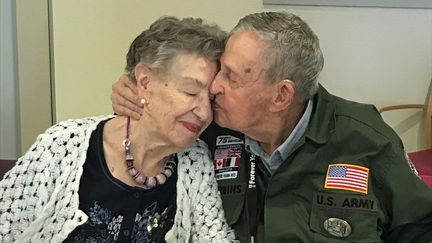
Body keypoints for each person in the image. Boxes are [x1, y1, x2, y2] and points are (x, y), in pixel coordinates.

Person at [112, 11, 432, 243]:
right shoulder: (209, 125)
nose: (214, 86)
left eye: (233, 77)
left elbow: (421, 228)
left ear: (281, 96)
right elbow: (142, 150)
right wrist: (139, 95)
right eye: (219, 70)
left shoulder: (365, 141)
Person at [0, 16, 236, 243]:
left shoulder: (195, 161)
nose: (204, 112)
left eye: (212, 98)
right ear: (144, 82)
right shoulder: (61, 147)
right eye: (191, 92)